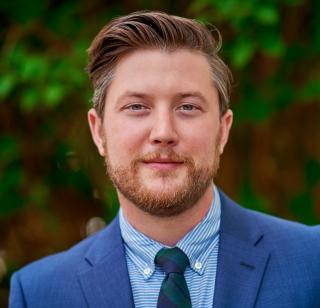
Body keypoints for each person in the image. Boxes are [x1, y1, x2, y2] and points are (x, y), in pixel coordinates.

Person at [9, 11, 320, 308]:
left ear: (223, 132)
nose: (163, 132)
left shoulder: (311, 262)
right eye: (136, 107)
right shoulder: (39, 292)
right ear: (98, 131)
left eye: (187, 107)